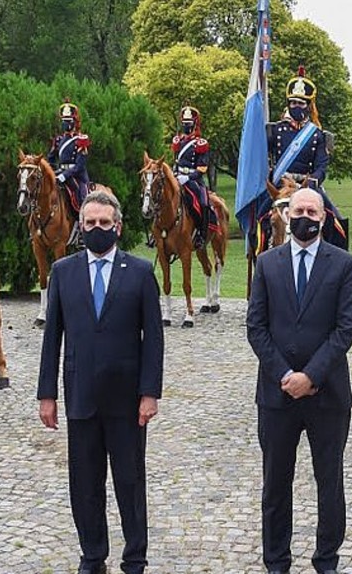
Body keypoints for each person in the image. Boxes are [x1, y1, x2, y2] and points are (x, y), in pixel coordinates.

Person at [37, 191, 164, 574]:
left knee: (129, 482)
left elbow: (154, 339)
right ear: (80, 227)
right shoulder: (64, 271)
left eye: (103, 223)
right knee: (85, 485)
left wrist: (150, 393)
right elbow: (52, 337)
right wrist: (47, 394)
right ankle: (93, 555)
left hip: (127, 401)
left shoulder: (140, 272)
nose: (96, 229)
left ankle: (135, 555)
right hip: (81, 396)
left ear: (117, 227)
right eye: (89, 223)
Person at [246, 187, 352, 574]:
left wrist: (311, 376)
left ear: (324, 217)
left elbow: (345, 329)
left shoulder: (343, 264)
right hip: (276, 396)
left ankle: (326, 558)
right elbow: (256, 327)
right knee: (276, 483)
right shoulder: (267, 263)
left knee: (329, 482)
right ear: (286, 213)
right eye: (299, 210)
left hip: (327, 394)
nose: (305, 217)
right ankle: (276, 559)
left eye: (313, 211)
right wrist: (285, 375)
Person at [268, 67, 349, 250]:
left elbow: (321, 166)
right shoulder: (276, 130)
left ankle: (338, 259)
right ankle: (259, 259)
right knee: (259, 218)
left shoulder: (316, 134)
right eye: (294, 102)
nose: (297, 106)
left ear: (309, 105)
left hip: (308, 185)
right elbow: (263, 157)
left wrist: (311, 182)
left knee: (336, 221)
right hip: (281, 184)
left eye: (302, 103)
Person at [170, 105, 217, 250]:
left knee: (202, 204)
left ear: (195, 123)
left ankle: (201, 235)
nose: (186, 126)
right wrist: (175, 173)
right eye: (184, 123)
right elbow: (176, 161)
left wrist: (188, 177)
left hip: (194, 180)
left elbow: (202, 167)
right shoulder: (178, 141)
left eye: (189, 123)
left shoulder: (200, 143)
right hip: (178, 177)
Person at [48, 99, 93, 246]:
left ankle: (82, 231)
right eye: (63, 120)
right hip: (60, 174)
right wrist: (52, 172)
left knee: (81, 198)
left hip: (77, 176)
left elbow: (80, 166)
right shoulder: (59, 139)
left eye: (68, 120)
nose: (65, 124)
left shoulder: (81, 140)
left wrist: (63, 175)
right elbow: (51, 158)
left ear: (74, 122)